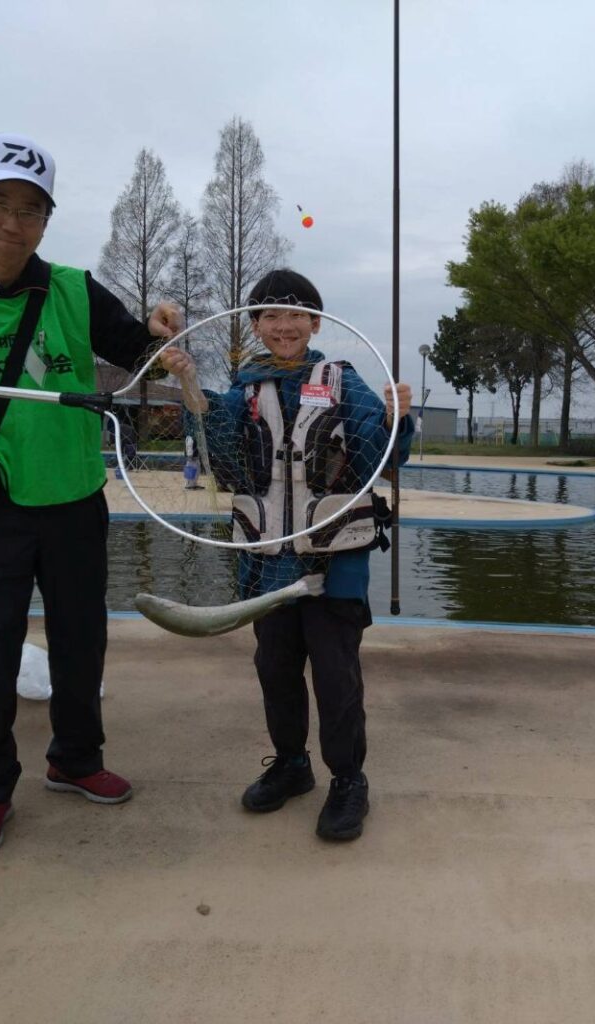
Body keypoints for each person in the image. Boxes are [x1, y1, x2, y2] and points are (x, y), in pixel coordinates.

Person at [0, 132, 181, 859]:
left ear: (46, 220)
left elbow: (144, 352)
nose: (13, 222)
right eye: (0, 202)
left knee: (80, 641)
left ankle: (75, 758)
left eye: (31, 210)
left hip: (72, 498)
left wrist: (163, 325)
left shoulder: (72, 288)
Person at [161, 269, 413, 841]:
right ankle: (292, 765)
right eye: (271, 315)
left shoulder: (343, 381)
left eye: (296, 314)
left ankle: (348, 780)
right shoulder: (243, 391)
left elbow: (382, 456)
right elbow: (221, 452)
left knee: (336, 678)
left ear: (315, 323)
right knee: (275, 669)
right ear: (255, 325)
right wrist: (191, 385)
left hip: (334, 564)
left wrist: (397, 419)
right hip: (266, 562)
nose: (284, 325)